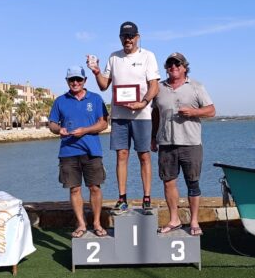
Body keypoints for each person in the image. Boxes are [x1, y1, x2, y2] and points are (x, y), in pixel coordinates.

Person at [87, 21, 160, 214]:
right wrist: (95, 71)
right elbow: (104, 85)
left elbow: (154, 86)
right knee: (122, 155)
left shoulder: (148, 56)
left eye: (131, 36)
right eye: (124, 36)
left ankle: (146, 197)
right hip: (119, 116)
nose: (128, 39)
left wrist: (143, 103)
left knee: (144, 155)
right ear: (120, 38)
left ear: (138, 37)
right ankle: (122, 198)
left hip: (142, 115)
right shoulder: (113, 57)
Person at [150, 52, 215, 236]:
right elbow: (155, 114)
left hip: (191, 143)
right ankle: (174, 219)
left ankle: (194, 222)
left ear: (185, 67)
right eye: (170, 64)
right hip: (166, 144)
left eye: (177, 64)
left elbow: (211, 110)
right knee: (168, 183)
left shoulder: (196, 86)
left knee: (192, 183)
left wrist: (193, 112)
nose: (173, 67)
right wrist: (153, 137)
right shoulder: (159, 88)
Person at [48, 66, 110, 238]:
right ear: (67, 81)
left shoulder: (96, 99)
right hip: (68, 152)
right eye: (71, 80)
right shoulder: (60, 101)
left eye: (78, 79)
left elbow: (103, 123)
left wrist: (85, 130)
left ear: (84, 81)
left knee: (94, 188)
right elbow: (52, 123)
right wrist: (58, 129)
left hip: (92, 151)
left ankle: (97, 223)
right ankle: (81, 224)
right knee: (74, 189)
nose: (75, 82)